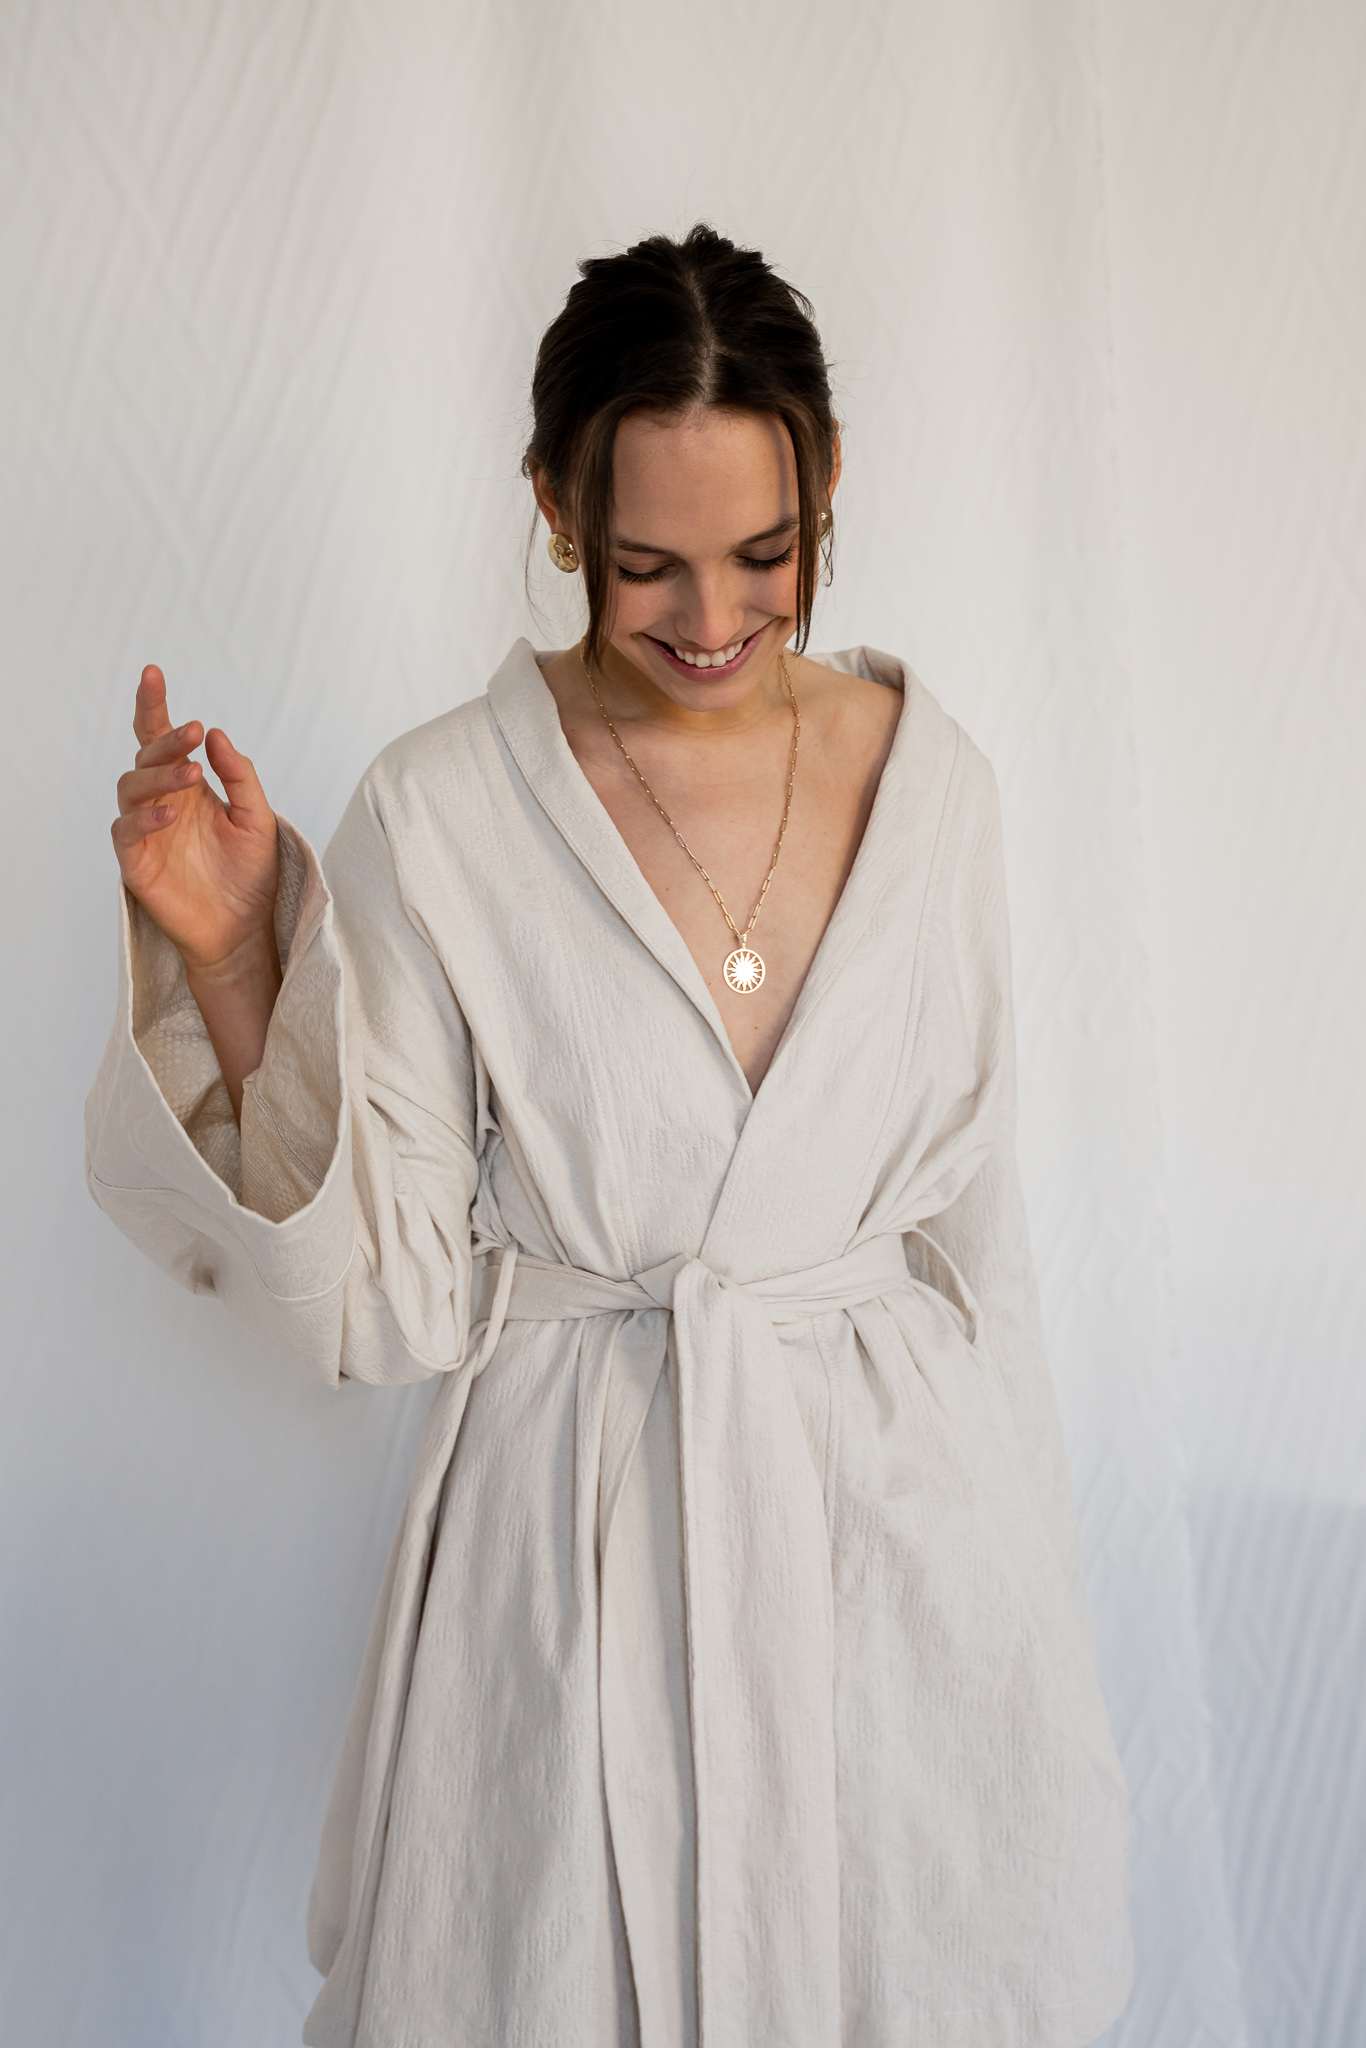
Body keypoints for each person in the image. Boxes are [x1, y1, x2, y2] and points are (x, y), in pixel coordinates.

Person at [86, 225, 1132, 2048]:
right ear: (557, 510)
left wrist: (1032, 1641)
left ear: (825, 488)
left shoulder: (933, 785)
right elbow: (397, 1303)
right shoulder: (440, 805)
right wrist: (243, 963)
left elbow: (983, 1253)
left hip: (897, 1559)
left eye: (764, 554)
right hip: (568, 1562)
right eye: (646, 564)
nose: (712, 621)